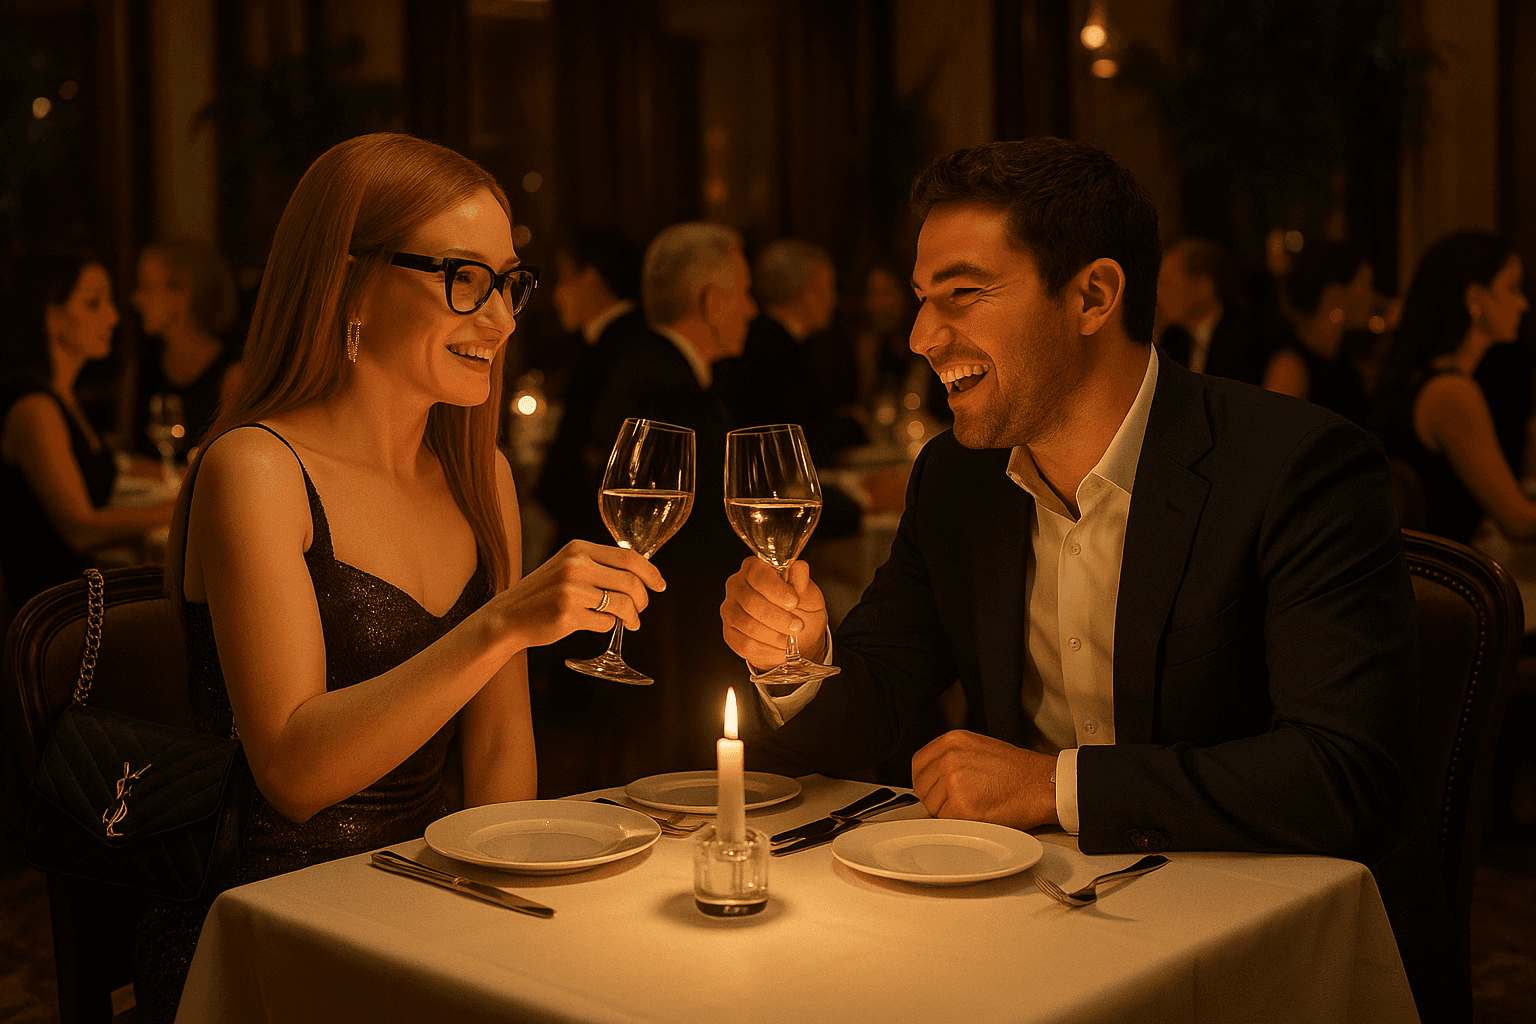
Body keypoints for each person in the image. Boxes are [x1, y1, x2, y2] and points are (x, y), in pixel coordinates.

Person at [719, 138, 1454, 1019]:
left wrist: (1049, 785)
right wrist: (795, 658)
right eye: (921, 301)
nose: (920, 338)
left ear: (1093, 296)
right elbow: (868, 702)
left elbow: (1342, 775)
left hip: (1251, 949)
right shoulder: (957, 482)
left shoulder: (1296, 469)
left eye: (962, 295)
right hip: (1023, 938)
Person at [133, 133, 663, 1022]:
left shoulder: (477, 472)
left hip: (426, 904)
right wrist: (499, 625)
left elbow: (498, 766)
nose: (499, 319)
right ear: (350, 283)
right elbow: (294, 773)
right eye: (464, 277)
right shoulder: (256, 469)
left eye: (508, 282)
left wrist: (512, 927)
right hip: (272, 926)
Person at [0, 250, 174, 616]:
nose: (113, 317)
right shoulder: (35, 409)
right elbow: (80, 528)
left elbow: (110, 464)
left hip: (81, 595)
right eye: (94, 304)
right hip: (56, 617)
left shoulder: (63, 397)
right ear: (52, 317)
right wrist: (176, 510)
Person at [1373, 231, 1531, 545]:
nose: (1523, 303)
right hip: (1442, 587)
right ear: (1474, 299)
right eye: (1512, 288)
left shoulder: (1424, 378)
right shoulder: (1450, 394)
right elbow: (1518, 522)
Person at [536, 228, 654, 550]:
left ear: (589, 278)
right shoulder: (617, 343)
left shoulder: (614, 353)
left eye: (563, 279)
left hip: (601, 539)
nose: (557, 295)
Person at [129, 239, 241, 463]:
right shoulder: (144, 364)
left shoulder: (233, 374)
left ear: (183, 292)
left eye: (146, 287)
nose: (136, 299)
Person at [1261, 241, 1375, 423]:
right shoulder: (1290, 367)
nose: (1372, 296)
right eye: (1366, 284)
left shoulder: (1340, 358)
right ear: (1335, 292)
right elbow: (1273, 435)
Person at [1155, 237, 1266, 385]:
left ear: (1203, 288)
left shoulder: (1248, 342)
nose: (1157, 294)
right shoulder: (1174, 344)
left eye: (1165, 283)